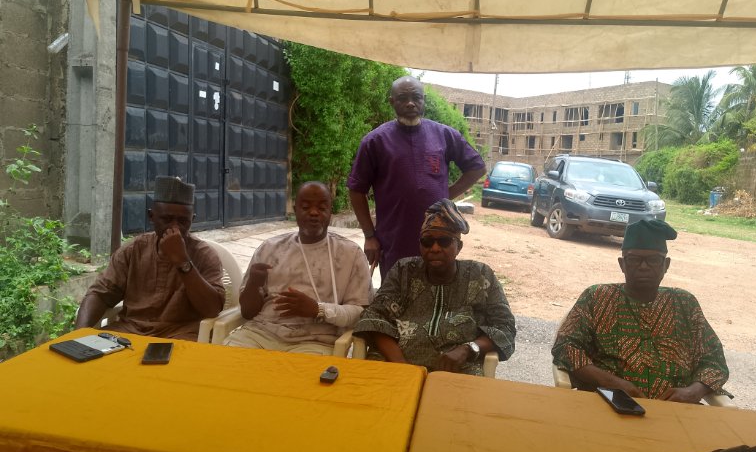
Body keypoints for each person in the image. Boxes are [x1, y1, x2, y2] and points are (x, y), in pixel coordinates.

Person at [551, 219, 730, 403]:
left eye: (653, 260)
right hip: (607, 404)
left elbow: (714, 361)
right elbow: (565, 347)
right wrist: (613, 383)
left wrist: (693, 392)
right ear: (622, 264)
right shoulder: (597, 298)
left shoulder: (685, 304)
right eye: (634, 259)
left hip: (675, 411)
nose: (643, 266)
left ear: (666, 265)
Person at [354, 199, 516, 375]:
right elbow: (374, 316)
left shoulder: (480, 275)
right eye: (427, 241)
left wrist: (468, 348)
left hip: (457, 369)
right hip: (394, 364)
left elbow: (505, 326)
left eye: (444, 241)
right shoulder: (404, 270)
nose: (435, 248)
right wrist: (402, 366)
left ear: (459, 247)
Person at [347, 76, 486, 279]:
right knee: (397, 290)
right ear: (392, 101)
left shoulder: (444, 135)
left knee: (439, 290)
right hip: (394, 239)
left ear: (424, 100)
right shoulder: (375, 141)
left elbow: (477, 168)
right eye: (403, 98)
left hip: (439, 240)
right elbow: (356, 189)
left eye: (416, 97)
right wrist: (369, 236)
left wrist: (445, 196)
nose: (410, 103)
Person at [224, 182, 372, 354]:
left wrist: (318, 309)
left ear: (330, 212)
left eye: (322, 207)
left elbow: (360, 313)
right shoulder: (270, 248)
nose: (314, 212)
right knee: (223, 365)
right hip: (259, 334)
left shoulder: (350, 254)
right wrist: (253, 284)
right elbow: (247, 313)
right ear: (295, 210)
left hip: (315, 341)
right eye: (306, 207)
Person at [76, 176, 225, 340]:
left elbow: (212, 309)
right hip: (128, 331)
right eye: (166, 219)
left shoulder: (205, 255)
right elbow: (100, 294)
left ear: (193, 219)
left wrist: (183, 261)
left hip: (180, 335)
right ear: (151, 216)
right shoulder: (132, 250)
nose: (175, 227)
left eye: (183, 221)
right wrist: (78, 335)